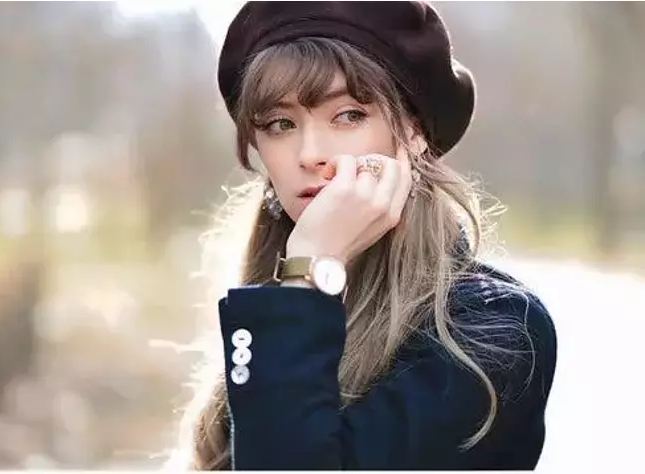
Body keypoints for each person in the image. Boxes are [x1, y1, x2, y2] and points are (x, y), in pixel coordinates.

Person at [181, 1, 558, 470]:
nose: (310, 154)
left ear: (414, 130)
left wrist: (310, 268)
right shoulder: (264, 310)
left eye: (348, 116)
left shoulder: (495, 332)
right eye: (281, 124)